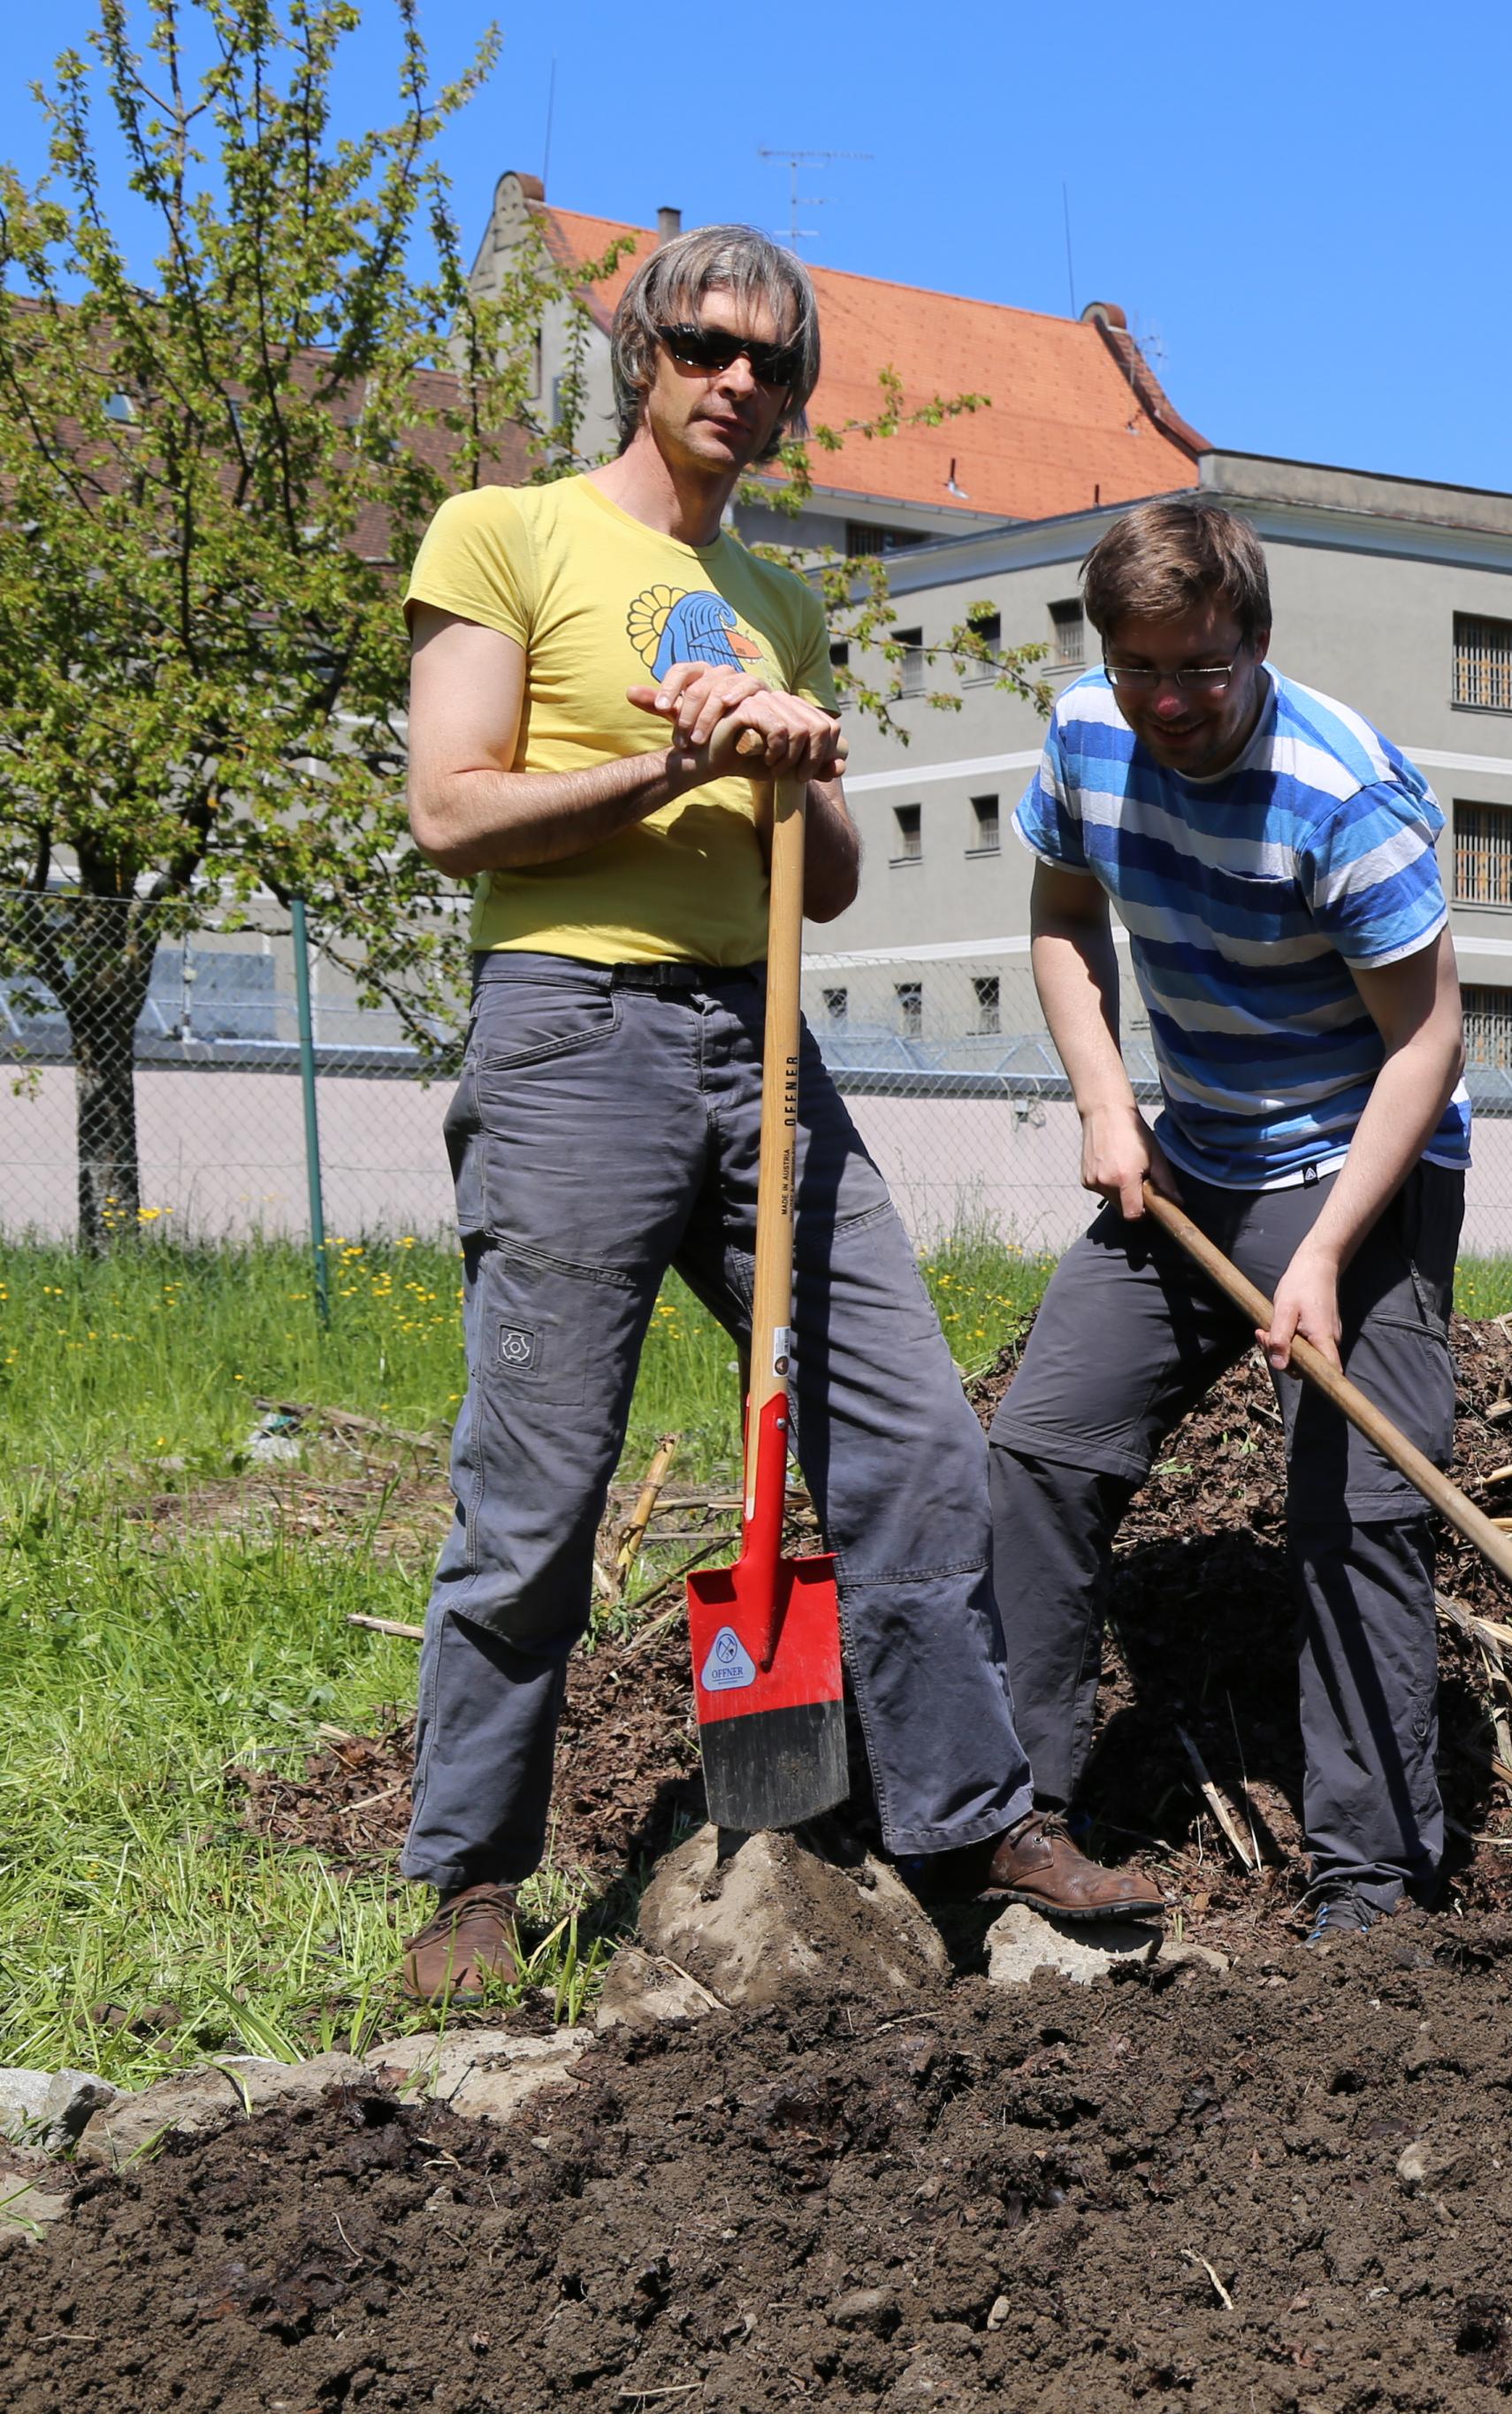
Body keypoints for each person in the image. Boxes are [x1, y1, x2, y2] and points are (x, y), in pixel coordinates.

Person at [393, 225, 1067, 2003]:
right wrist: (674, 762)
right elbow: (451, 812)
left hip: (761, 1038)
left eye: (772, 363)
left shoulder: (779, 600)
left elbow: (826, 882)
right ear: (644, 350)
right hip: (575, 1028)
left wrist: (800, 757)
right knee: (538, 1492)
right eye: (705, 344)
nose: (737, 381)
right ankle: (470, 1881)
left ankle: (964, 1825)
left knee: (915, 1436)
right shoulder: (506, 533)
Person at [981, 496, 1470, 1945]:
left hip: (1362, 1161)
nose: (1169, 703)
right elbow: (1061, 916)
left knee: (1358, 1508)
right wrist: (1103, 1101)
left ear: (1254, 640)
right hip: (1191, 1155)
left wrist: (1323, 1254)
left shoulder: (1343, 794)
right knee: (1043, 1447)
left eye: (1199, 667)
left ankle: (1370, 1890)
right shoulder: (1085, 732)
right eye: (1138, 668)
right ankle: (1021, 1817)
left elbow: (1428, 1043)